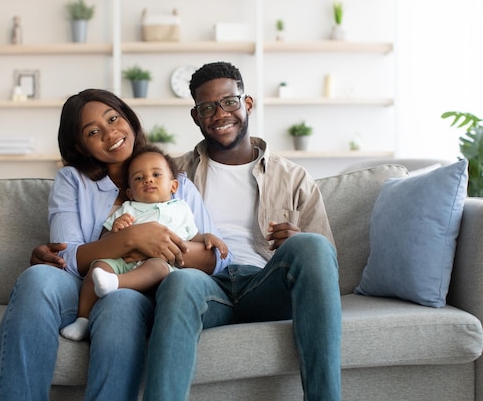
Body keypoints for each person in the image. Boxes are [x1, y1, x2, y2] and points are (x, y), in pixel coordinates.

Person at [31, 62, 341, 400]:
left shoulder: (293, 178)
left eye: (230, 102)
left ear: (247, 103)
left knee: (312, 245)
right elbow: (130, 223)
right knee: (180, 279)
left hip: (265, 281)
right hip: (205, 285)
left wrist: (298, 244)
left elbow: (326, 265)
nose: (221, 114)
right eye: (208, 107)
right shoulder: (169, 171)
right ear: (196, 117)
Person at [0, 88, 231, 401]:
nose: (111, 133)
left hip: (153, 288)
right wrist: (131, 238)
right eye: (94, 132)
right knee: (37, 278)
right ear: (81, 145)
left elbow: (218, 259)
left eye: (114, 119)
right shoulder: (73, 181)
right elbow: (68, 254)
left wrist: (158, 250)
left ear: (129, 120)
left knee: (120, 302)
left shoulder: (175, 181)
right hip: (83, 285)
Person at [60, 144, 229, 341]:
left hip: (161, 266)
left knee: (157, 266)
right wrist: (116, 229)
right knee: (98, 266)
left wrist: (208, 237)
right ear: (130, 192)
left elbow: (192, 236)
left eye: (156, 174)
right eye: (139, 178)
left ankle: (116, 284)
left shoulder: (180, 209)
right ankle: (83, 319)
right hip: (124, 262)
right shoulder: (128, 208)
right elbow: (104, 242)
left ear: (173, 186)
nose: (148, 179)